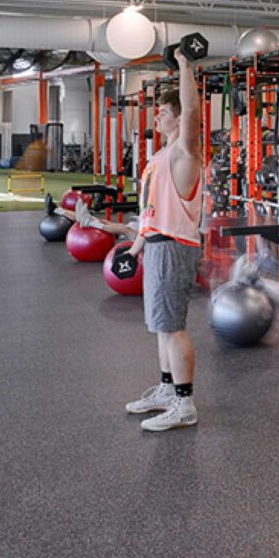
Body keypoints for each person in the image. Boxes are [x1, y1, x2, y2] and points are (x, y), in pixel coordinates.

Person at [124, 57, 203, 432]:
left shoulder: (183, 153)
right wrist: (135, 248)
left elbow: (191, 110)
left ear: (178, 118)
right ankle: (168, 390)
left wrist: (186, 65)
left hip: (174, 246)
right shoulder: (157, 158)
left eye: (163, 112)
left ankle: (185, 405)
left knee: (173, 326)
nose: (157, 117)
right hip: (156, 245)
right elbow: (151, 210)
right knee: (161, 326)